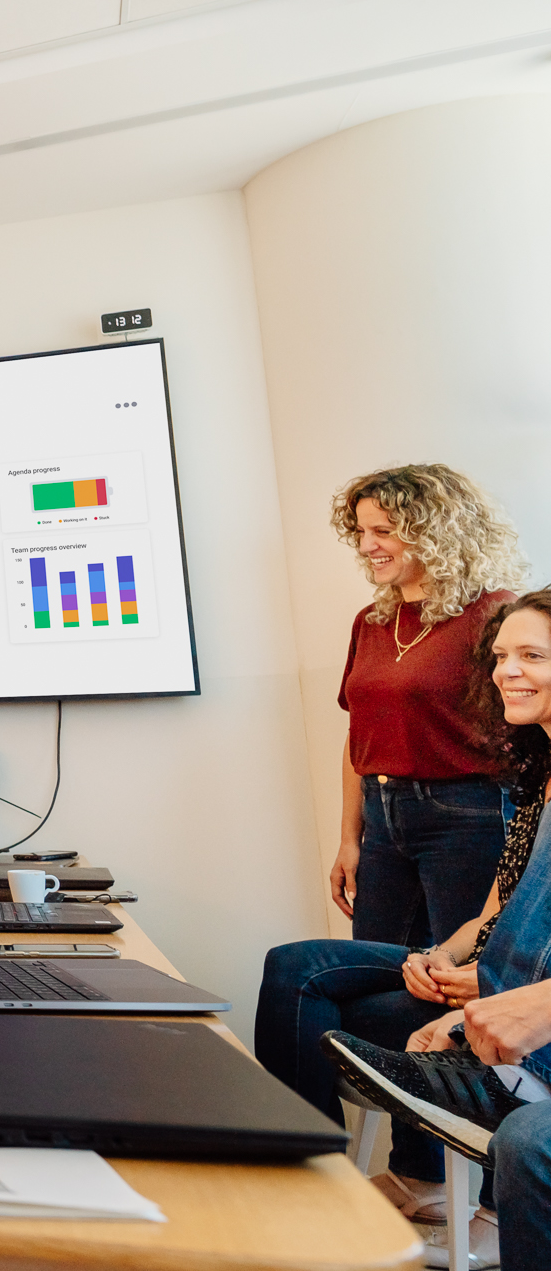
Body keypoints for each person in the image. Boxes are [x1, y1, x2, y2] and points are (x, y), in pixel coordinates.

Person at [259, 591, 551, 1248]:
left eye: (531, 656)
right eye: (503, 656)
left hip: (522, 1003)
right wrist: (445, 959)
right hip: (493, 977)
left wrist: (491, 990)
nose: (508, 670)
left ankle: (502, 1081)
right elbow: (496, 912)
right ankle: (307, 1185)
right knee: (297, 970)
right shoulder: (536, 778)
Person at [329, 465, 526, 948]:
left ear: (435, 532)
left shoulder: (498, 614)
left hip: (468, 815)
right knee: (374, 970)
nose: (366, 546)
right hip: (381, 815)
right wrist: (349, 839)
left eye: (383, 531)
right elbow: (360, 736)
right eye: (360, 532)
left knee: (453, 973)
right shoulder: (372, 621)